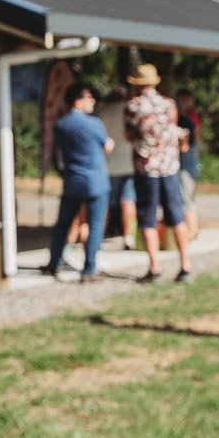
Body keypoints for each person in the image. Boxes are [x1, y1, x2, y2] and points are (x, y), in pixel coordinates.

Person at [123, 63, 193, 283]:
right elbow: (174, 131)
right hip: (170, 167)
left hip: (146, 170)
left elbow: (128, 136)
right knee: (176, 216)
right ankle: (185, 265)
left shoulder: (133, 106)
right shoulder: (168, 104)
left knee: (148, 219)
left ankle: (155, 267)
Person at [46, 83, 112, 282]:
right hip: (95, 181)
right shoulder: (95, 124)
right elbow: (106, 146)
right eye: (89, 97)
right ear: (78, 100)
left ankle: (54, 262)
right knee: (95, 224)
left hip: (72, 180)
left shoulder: (60, 125)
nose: (92, 101)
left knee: (63, 224)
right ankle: (89, 269)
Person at [98, 87, 138, 250]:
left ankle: (98, 236)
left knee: (104, 202)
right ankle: (128, 237)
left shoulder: (102, 113)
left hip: (107, 166)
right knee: (128, 201)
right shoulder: (130, 111)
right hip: (129, 165)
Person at [174, 88, 203, 241]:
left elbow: (185, 145)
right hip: (190, 161)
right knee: (189, 196)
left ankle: (191, 230)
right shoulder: (189, 118)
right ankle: (193, 227)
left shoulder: (185, 119)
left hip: (185, 163)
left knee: (186, 197)